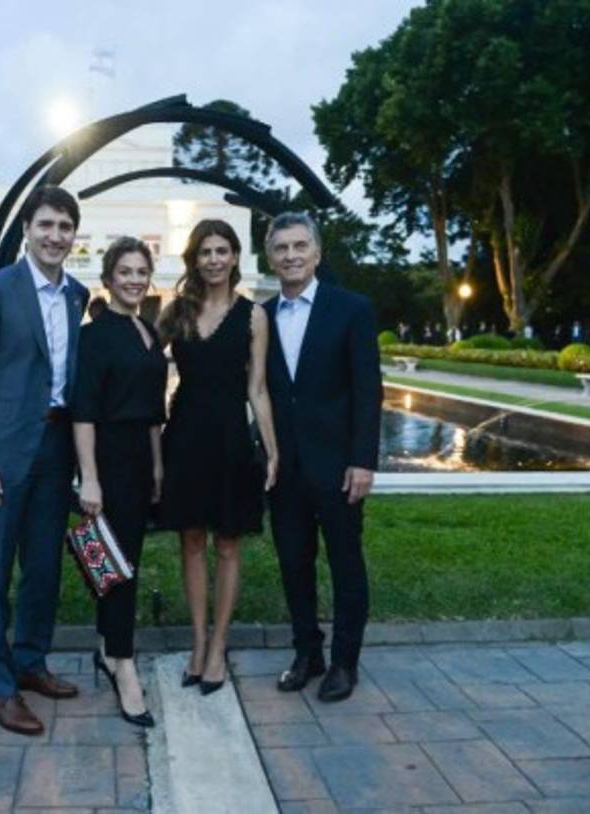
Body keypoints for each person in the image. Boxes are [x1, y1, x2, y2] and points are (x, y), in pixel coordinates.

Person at [0, 185, 90, 736]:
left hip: (57, 450)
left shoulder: (78, 294)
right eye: (47, 225)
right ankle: (1, 691)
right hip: (2, 455)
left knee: (44, 570)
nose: (55, 236)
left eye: (65, 227)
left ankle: (30, 663)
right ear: (29, 230)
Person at [262, 211, 382, 703]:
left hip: (338, 466)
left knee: (346, 564)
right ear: (270, 258)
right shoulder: (261, 317)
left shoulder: (350, 309)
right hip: (283, 468)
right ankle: (307, 652)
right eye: (281, 248)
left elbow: (367, 390)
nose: (290, 255)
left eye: (298, 246)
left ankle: (344, 663)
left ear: (316, 252)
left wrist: (363, 460)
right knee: (294, 564)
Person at [157, 219, 278, 696]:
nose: (213, 259)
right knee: (190, 541)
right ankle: (198, 640)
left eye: (221, 250)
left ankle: (219, 645)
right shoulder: (178, 312)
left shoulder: (253, 317)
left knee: (227, 544)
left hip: (230, 440)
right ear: (194, 258)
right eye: (205, 251)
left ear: (234, 256)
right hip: (184, 436)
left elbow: (258, 389)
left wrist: (272, 450)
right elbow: (142, 357)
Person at [72, 237, 167, 727]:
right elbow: (83, 412)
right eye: (124, 271)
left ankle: (105, 646)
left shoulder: (148, 331)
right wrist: (89, 478)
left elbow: (154, 411)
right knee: (117, 563)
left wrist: (156, 466)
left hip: (139, 458)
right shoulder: (94, 335)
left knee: (118, 558)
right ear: (108, 279)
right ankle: (124, 666)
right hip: (107, 458)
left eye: (140, 271)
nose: (134, 279)